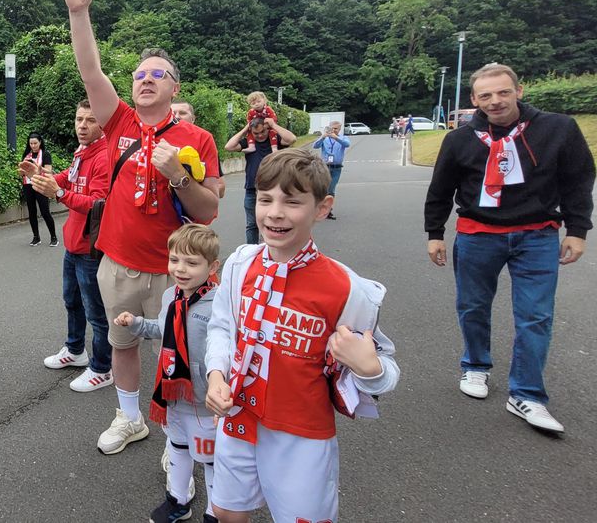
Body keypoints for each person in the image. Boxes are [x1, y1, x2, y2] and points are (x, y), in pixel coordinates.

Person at [62, 0, 222, 456]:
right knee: (124, 344)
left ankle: (184, 433)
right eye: (139, 74)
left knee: (184, 352)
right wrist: (77, 12)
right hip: (121, 264)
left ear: (175, 87)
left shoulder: (198, 137)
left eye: (158, 74)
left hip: (180, 271)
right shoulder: (121, 124)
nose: (146, 78)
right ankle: (129, 418)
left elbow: (208, 212)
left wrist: (177, 175)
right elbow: (90, 70)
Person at [205, 149, 400, 523]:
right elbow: (222, 329)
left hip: (302, 434)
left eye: (292, 202)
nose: (275, 212)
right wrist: (216, 375)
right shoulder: (239, 263)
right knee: (228, 513)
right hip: (237, 417)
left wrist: (369, 369)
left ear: (322, 208)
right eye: (265, 200)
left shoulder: (348, 289)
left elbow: (384, 370)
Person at [424, 63, 594, 434]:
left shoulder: (558, 129)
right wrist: (434, 233)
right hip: (477, 234)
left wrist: (577, 228)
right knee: (472, 306)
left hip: (538, 235)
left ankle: (527, 394)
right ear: (474, 100)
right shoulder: (460, 139)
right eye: (485, 95)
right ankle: (475, 365)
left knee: (535, 315)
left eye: (503, 92)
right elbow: (440, 189)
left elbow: (579, 179)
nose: (495, 101)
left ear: (519, 90)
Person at [115, 224, 222, 523]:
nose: (181, 269)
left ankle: (216, 512)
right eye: (175, 260)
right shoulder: (170, 296)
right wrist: (136, 323)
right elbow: (163, 330)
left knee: (211, 459)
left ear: (212, 266)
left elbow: (226, 350)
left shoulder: (220, 304)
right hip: (172, 394)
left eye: (192, 262)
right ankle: (177, 501)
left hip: (204, 401)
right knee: (177, 448)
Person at [29, 100, 113, 392]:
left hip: (92, 248)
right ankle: (76, 350)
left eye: (90, 120)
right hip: (74, 244)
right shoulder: (83, 152)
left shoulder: (105, 156)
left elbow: (99, 205)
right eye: (79, 119)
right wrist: (40, 176)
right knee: (72, 302)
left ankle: (103, 368)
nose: (82, 126)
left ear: (102, 124)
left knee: (96, 312)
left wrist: (59, 192)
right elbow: (68, 177)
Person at [225, 116, 297, 242]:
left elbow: (291, 139)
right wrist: (245, 129)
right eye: (256, 133)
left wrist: (273, 125)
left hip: (274, 190)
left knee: (272, 224)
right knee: (252, 225)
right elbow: (229, 147)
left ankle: (270, 251)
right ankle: (251, 253)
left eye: (263, 131)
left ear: (267, 129)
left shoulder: (275, 140)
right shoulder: (249, 143)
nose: (259, 135)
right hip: (252, 190)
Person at [174, 100, 225, 200]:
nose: (177, 116)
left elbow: (221, 188)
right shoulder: (158, 141)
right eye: (173, 113)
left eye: (182, 113)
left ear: (193, 119)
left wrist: (196, 192)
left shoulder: (204, 143)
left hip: (194, 211)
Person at [20, 132, 58, 247]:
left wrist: (40, 169)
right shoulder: (26, 154)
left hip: (41, 184)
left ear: (40, 142)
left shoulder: (45, 154)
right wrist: (22, 173)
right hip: (28, 185)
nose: (33, 145)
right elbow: (23, 170)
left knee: (45, 211)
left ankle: (54, 237)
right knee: (32, 212)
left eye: (35, 143)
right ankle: (36, 237)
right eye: (31, 143)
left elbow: (49, 171)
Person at [311, 121, 350, 220]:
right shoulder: (325, 138)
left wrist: (336, 138)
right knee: (323, 188)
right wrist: (323, 137)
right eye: (332, 128)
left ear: (339, 129)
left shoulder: (342, 138)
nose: (333, 130)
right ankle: (318, 208)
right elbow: (315, 146)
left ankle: (328, 210)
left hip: (336, 167)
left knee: (331, 189)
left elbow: (347, 144)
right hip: (325, 167)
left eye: (336, 129)